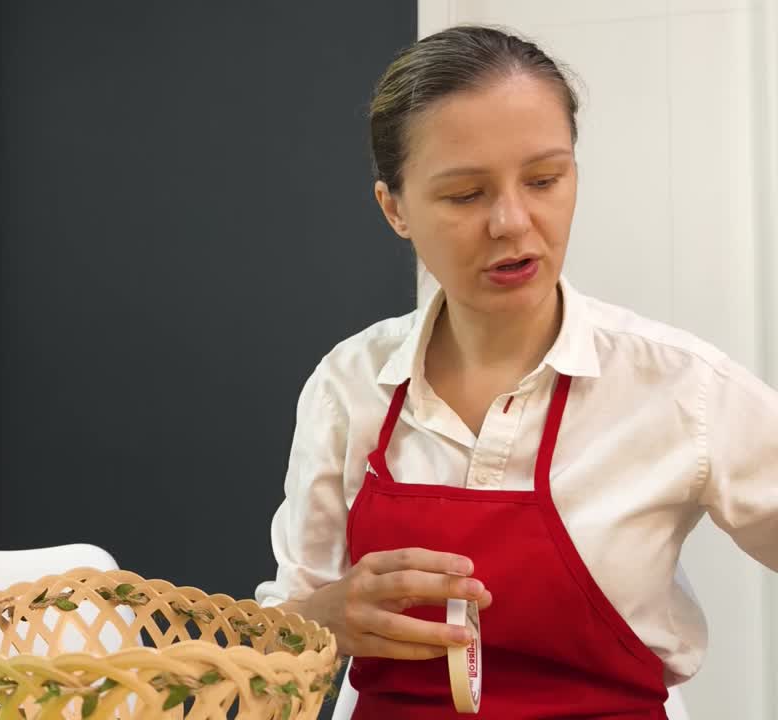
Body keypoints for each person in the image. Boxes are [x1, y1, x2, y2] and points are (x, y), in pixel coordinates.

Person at [256, 26, 778, 717]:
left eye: (543, 179)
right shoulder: (349, 386)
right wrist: (321, 619)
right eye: (465, 194)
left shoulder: (682, 388)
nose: (512, 221)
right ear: (395, 209)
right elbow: (270, 651)